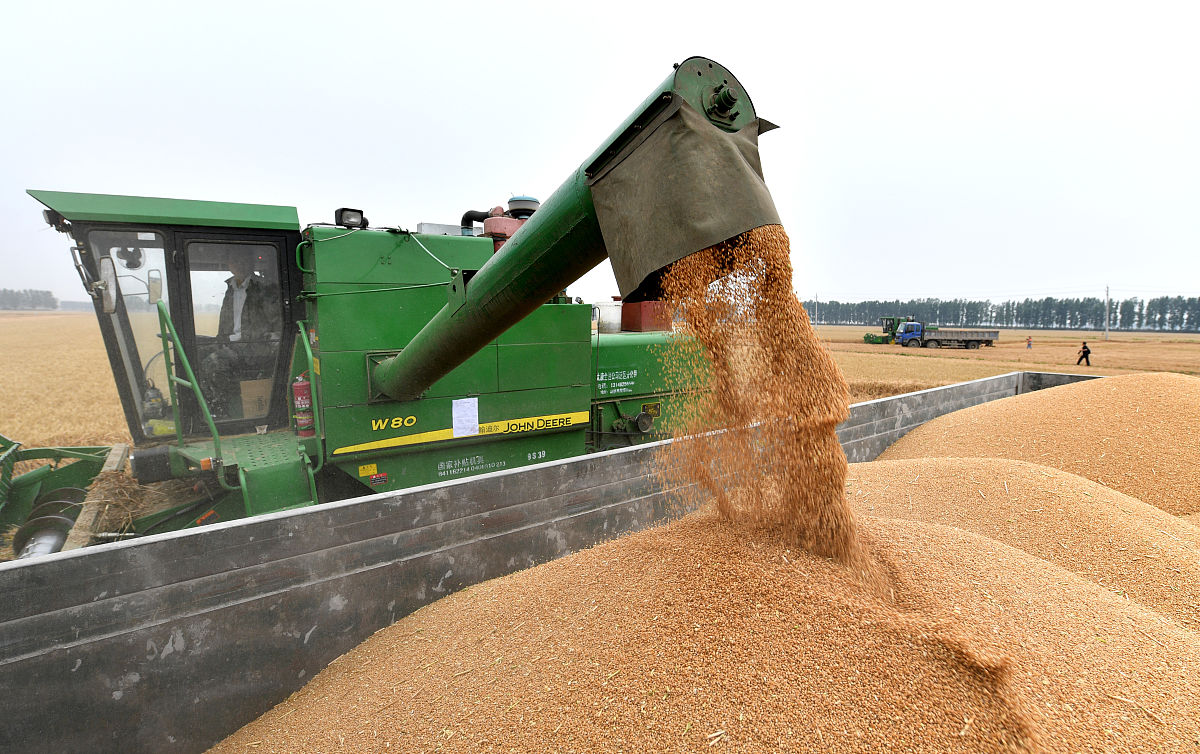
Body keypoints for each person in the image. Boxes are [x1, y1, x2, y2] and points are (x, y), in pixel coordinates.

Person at [199, 254, 281, 419]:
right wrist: (220, 341)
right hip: (231, 344)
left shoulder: (264, 287)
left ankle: (225, 410)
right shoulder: (230, 288)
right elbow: (225, 321)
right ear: (228, 263)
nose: (238, 264)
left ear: (251, 262)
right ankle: (207, 408)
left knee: (213, 363)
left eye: (243, 259)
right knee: (195, 353)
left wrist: (272, 339)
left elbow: (277, 320)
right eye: (234, 260)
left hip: (253, 347)